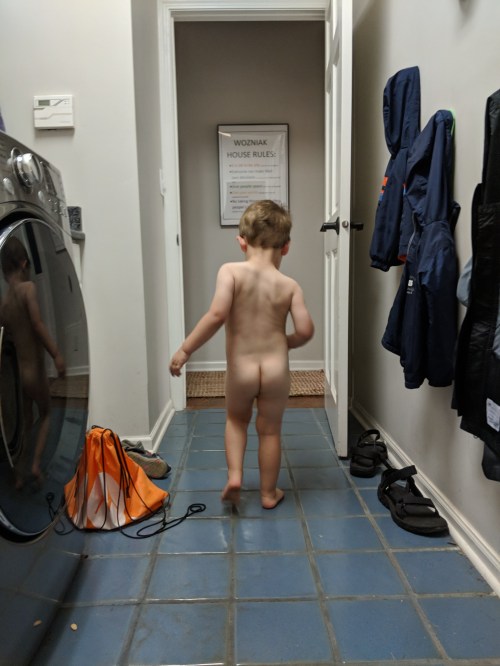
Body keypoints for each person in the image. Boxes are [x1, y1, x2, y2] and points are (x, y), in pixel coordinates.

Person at [169, 200, 314, 508]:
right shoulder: (290, 286)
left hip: (241, 368)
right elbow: (305, 331)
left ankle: (235, 477)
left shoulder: (231, 272)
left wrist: (185, 349)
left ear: (242, 242)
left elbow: (216, 315)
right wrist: (284, 343)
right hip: (275, 370)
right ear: (286, 247)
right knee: (270, 431)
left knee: (236, 421)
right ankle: (268, 494)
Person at [0, 236, 65, 488]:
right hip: (35, 371)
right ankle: (36, 464)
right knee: (46, 413)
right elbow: (37, 326)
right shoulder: (28, 289)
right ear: (24, 263)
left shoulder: (5, 302)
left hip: (18, 375)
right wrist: (56, 354)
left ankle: (18, 473)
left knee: (26, 423)